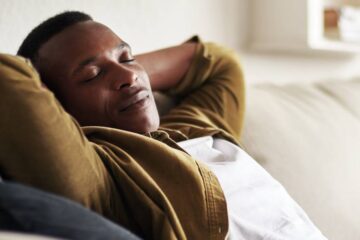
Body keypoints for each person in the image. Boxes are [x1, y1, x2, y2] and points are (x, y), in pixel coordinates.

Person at [0, 11, 327, 240]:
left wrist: (129, 76)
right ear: (56, 108)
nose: (127, 75)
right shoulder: (102, 176)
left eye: (127, 57)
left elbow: (220, 64)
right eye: (90, 75)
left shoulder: (193, 124)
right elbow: (8, 85)